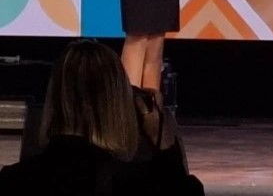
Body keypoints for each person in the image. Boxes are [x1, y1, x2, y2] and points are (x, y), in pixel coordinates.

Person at [0, 39, 203, 195]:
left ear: (54, 99)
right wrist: (163, 144)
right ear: (118, 103)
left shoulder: (13, 181)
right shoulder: (136, 183)